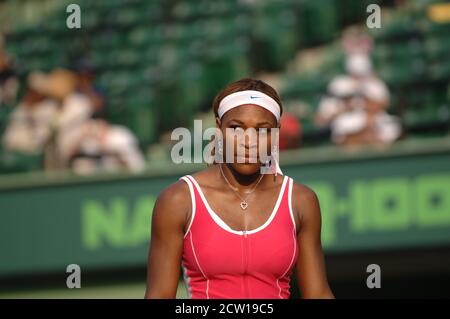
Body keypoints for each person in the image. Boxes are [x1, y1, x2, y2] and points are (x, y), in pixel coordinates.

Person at [145, 78, 334, 299]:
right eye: (236, 128)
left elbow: (318, 293)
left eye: (262, 130)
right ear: (219, 128)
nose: (249, 141)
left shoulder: (301, 200)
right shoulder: (178, 200)